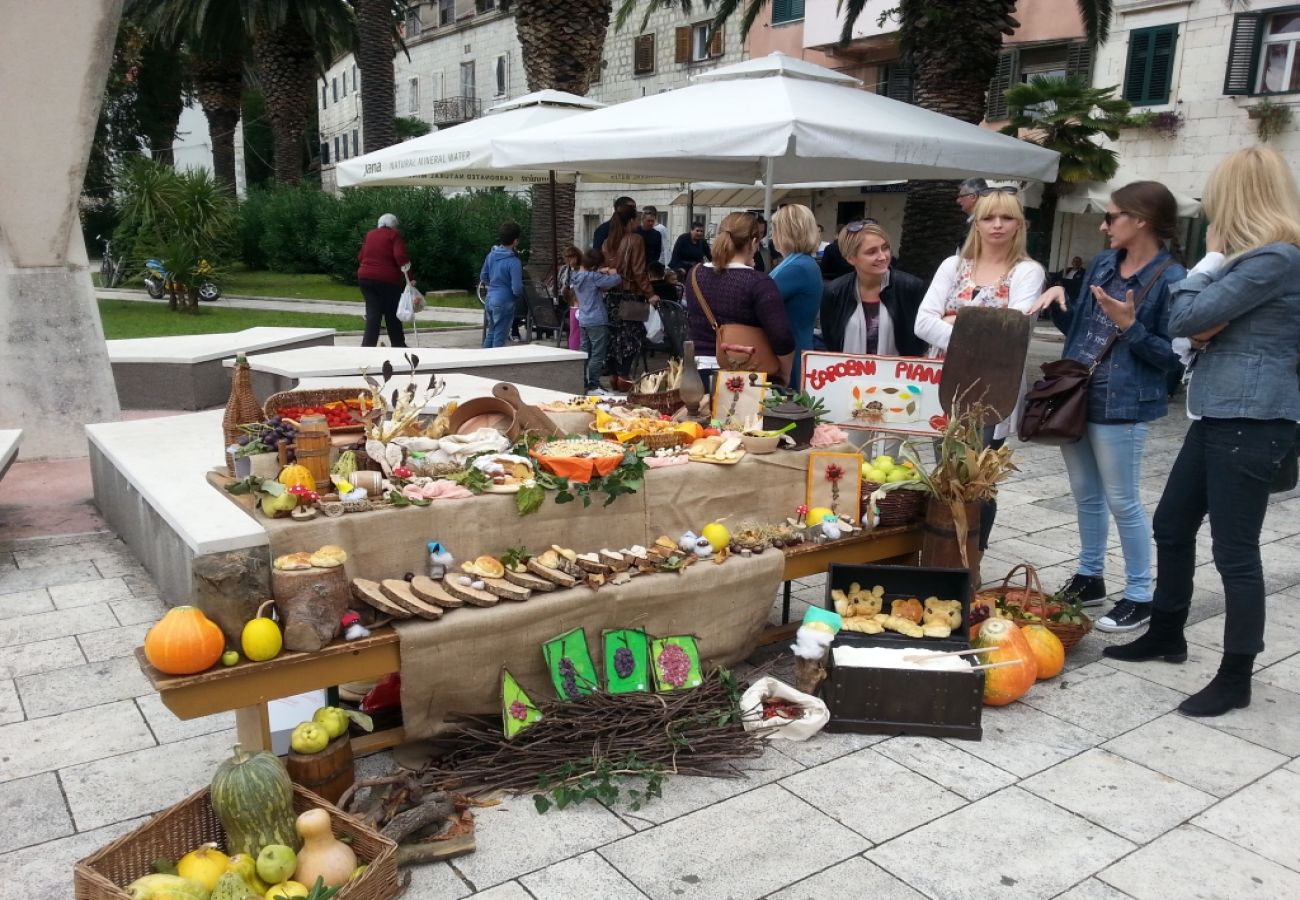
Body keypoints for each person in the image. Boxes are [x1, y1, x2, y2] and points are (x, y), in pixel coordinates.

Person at [1104, 147, 1300, 717]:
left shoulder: (1275, 259)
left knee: (1235, 552)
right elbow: (1201, 324)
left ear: (1236, 198)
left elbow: (1182, 318)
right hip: (1221, 410)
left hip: (1253, 417)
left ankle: (1236, 674)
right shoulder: (1261, 261)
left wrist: (1210, 260)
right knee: (1171, 524)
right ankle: (1168, 631)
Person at [1030, 182, 1187, 634]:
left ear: (1140, 219)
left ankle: (1140, 595)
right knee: (1085, 494)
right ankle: (1089, 576)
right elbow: (1083, 327)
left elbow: (1174, 359)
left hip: (1124, 404)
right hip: (1076, 393)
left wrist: (1131, 327)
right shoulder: (1103, 263)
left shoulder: (1172, 280)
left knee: (1123, 500)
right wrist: (1060, 305)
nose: (1103, 225)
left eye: (1112, 216)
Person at [915, 189, 1045, 550]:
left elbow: (1011, 331)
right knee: (944, 473)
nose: (998, 225)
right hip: (943, 386)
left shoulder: (1027, 271)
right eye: (989, 217)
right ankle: (941, 549)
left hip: (992, 390)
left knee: (977, 478)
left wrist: (955, 322)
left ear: (1020, 224)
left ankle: (972, 554)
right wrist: (980, 330)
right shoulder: (953, 266)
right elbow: (921, 323)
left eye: (1006, 217)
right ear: (977, 223)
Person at [684, 211, 794, 382]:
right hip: (745, 376)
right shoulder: (759, 282)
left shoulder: (694, 273)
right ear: (753, 242)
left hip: (698, 372)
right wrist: (785, 375)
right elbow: (782, 337)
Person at [820, 221, 927, 357]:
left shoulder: (910, 287)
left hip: (899, 375)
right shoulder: (834, 292)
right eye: (871, 252)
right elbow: (831, 343)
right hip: (848, 375)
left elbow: (920, 342)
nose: (882, 257)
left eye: (885, 248)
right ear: (851, 258)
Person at [602, 200, 659, 390]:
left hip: (611, 296)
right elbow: (639, 271)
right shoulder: (635, 239)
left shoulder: (607, 242)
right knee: (631, 339)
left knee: (614, 337)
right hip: (631, 295)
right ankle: (624, 377)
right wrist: (650, 293)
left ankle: (614, 377)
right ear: (632, 220)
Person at [769, 204, 823, 387]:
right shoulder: (801, 262)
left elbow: (758, 299)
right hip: (796, 345)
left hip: (790, 352)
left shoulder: (797, 266)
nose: (772, 235)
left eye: (775, 229)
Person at [570, 248, 623, 395]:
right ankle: (594, 386)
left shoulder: (576, 276)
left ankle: (582, 383)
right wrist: (614, 273)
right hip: (597, 320)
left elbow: (589, 277)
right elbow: (615, 281)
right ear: (595, 265)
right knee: (597, 354)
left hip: (584, 319)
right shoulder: (594, 277)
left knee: (584, 352)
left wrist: (600, 270)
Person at [357, 213, 413, 348]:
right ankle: (398, 344)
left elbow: (361, 256)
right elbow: (400, 255)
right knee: (392, 312)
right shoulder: (393, 235)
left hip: (365, 277)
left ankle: (367, 347)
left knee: (373, 313)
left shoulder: (370, 234)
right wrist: (410, 277)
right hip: (387, 280)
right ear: (394, 226)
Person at [479, 221, 525, 349]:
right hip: (505, 300)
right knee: (500, 336)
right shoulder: (514, 262)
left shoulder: (491, 255)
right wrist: (516, 296)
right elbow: (517, 287)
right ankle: (495, 365)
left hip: (490, 298)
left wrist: (493, 285)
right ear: (515, 241)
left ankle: (483, 360)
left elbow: (483, 276)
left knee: (492, 332)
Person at [558, 245, 583, 352]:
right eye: (567, 257)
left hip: (579, 301)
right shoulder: (565, 269)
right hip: (571, 301)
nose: (569, 260)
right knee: (574, 330)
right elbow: (563, 285)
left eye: (571, 257)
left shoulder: (582, 269)